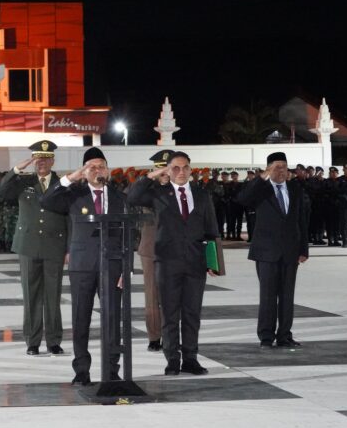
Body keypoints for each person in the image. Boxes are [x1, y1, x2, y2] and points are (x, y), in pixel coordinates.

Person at [127, 151, 219, 376]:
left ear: (190, 169)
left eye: (185, 167)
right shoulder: (158, 194)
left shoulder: (201, 194)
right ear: (168, 170)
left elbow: (211, 228)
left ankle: (190, 358)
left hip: (195, 262)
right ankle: (172, 359)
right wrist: (152, 175)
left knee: (192, 313)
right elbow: (132, 196)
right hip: (167, 262)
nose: (181, 172)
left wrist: (213, 262)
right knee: (169, 314)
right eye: (175, 168)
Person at [41, 147, 126, 385]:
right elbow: (46, 201)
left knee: (112, 319)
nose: (97, 171)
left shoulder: (119, 197)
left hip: (112, 266)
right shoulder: (74, 194)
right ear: (84, 171)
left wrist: (125, 268)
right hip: (82, 265)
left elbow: (130, 233)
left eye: (101, 166)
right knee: (81, 318)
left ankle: (112, 370)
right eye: (92, 167)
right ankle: (81, 370)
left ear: (108, 170)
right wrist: (70, 178)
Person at [0, 140, 68, 356]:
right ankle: (33, 341)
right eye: (37, 158)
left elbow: (70, 216)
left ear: (53, 160)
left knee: (53, 295)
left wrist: (69, 248)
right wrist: (17, 170)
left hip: (55, 245)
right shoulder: (23, 182)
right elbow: (0, 192)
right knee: (31, 295)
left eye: (45, 158)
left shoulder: (63, 183)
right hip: (28, 245)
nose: (41, 162)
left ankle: (54, 341)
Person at [237, 152, 309, 348]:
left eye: (284, 167)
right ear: (268, 169)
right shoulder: (261, 189)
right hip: (266, 251)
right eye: (277, 167)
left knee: (287, 295)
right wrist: (262, 177)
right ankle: (266, 336)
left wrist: (304, 249)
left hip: (290, 251)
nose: (282, 171)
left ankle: (284, 335)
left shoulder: (294, 188)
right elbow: (243, 199)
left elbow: (301, 219)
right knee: (268, 296)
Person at [135, 149, 177, 352]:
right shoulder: (147, 191)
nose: (165, 173)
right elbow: (131, 196)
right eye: (162, 169)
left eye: (169, 168)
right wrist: (150, 177)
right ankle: (154, 336)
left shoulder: (181, 189)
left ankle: (172, 334)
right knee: (152, 296)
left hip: (175, 248)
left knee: (174, 294)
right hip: (151, 248)